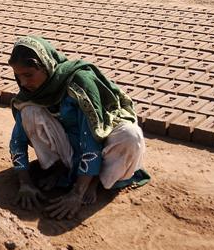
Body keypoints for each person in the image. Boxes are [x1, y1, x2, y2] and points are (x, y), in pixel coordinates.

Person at [8, 35, 149, 219]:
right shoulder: (31, 92)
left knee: (131, 135)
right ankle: (60, 169)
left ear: (46, 66)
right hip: (70, 148)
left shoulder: (79, 83)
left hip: (103, 145)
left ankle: (95, 180)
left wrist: (77, 193)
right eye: (18, 76)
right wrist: (25, 182)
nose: (23, 83)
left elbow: (92, 138)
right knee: (29, 112)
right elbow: (17, 141)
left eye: (28, 75)